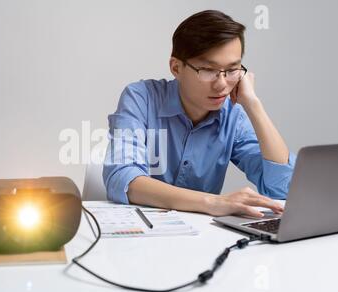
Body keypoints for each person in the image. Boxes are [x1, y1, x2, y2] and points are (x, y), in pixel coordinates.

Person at [103, 10, 296, 218]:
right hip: (141, 232)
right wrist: (213, 202)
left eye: (232, 70)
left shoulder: (233, 115)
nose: (222, 84)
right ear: (176, 68)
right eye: (208, 70)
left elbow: (283, 188)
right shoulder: (141, 98)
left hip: (201, 239)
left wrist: (253, 104)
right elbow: (123, 178)